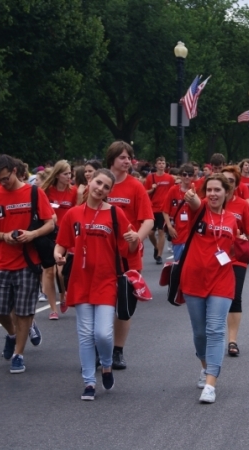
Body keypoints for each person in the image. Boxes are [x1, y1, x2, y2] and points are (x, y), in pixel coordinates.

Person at [55, 169, 139, 400]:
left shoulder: (116, 214)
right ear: (90, 182)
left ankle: (106, 363)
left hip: (106, 280)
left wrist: (134, 241)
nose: (100, 189)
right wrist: (58, 255)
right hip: (80, 281)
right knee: (85, 334)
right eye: (98, 183)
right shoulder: (72, 214)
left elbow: (129, 250)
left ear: (110, 192)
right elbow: (61, 244)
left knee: (102, 333)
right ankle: (89, 382)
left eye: (106, 187)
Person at [0, 154, 54, 374]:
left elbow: (50, 223)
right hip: (2, 262)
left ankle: (18, 354)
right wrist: (4, 236)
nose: (2, 183)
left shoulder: (34, 192)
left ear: (14, 171)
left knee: (23, 311)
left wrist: (32, 234)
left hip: (28, 262)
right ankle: (12, 334)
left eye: (5, 178)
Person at [181, 173, 238, 404]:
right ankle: (205, 367)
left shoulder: (233, 219)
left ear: (226, 193)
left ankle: (211, 384)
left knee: (215, 330)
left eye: (218, 190)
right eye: (210, 190)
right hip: (193, 278)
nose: (213, 194)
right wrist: (192, 196)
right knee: (200, 332)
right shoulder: (200, 208)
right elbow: (193, 202)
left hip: (222, 280)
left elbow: (233, 249)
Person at [106, 141, 154, 370]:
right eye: (122, 157)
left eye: (129, 158)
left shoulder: (135, 187)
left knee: (123, 307)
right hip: (102, 254)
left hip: (128, 256)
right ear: (112, 159)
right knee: (101, 304)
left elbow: (148, 219)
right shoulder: (101, 184)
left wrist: (138, 237)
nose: (127, 161)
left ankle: (117, 350)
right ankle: (98, 348)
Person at [221, 166, 249, 357]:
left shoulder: (242, 206)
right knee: (214, 298)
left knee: (234, 297)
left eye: (231, 180)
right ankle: (212, 336)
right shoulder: (210, 202)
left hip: (237, 258)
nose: (227, 184)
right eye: (224, 180)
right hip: (213, 258)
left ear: (237, 184)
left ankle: (232, 340)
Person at [41, 160, 78, 318]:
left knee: (61, 271)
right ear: (57, 175)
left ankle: (63, 294)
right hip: (49, 233)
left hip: (67, 234)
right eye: (65, 174)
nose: (68, 176)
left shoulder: (74, 191)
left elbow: (77, 212)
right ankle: (53, 309)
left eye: (70, 173)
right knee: (49, 271)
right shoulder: (47, 191)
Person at [162, 163, 195, 261]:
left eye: (190, 174)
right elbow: (165, 210)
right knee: (178, 263)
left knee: (190, 264)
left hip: (191, 232)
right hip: (177, 232)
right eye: (184, 174)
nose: (187, 177)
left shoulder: (195, 190)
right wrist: (169, 226)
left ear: (193, 176)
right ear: (180, 175)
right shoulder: (173, 190)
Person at [145, 156, 174, 265]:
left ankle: (159, 255)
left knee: (161, 232)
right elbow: (144, 193)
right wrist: (152, 189)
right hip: (152, 208)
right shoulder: (150, 178)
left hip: (164, 209)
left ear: (165, 165)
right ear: (156, 165)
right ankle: (156, 247)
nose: (161, 165)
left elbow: (172, 193)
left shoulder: (169, 178)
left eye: (163, 163)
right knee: (151, 233)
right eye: (159, 163)